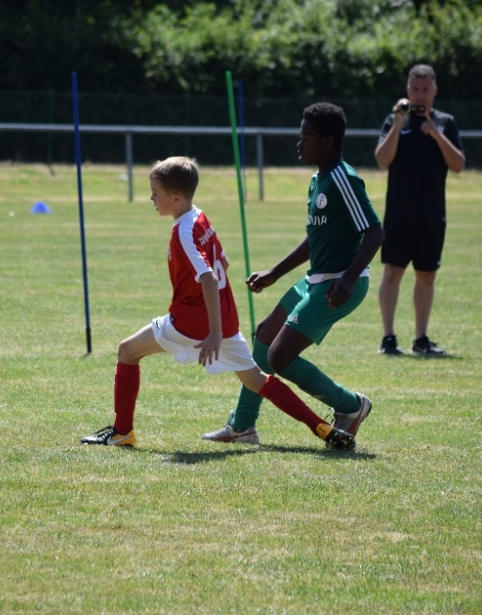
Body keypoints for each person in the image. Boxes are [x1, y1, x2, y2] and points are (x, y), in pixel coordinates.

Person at [80, 156, 355, 450]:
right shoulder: (200, 217)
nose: (151, 199)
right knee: (256, 380)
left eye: (155, 194)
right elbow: (222, 262)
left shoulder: (183, 231)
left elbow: (209, 279)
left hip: (193, 321)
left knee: (127, 351)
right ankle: (323, 428)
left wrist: (213, 333)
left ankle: (122, 433)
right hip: (224, 318)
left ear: (175, 198)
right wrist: (218, 327)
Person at [202, 102, 384, 445]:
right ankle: (243, 426)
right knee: (264, 336)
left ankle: (351, 405)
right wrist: (275, 273)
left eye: (306, 138)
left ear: (327, 142)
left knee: (280, 357)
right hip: (317, 280)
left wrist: (348, 278)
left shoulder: (343, 178)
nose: (299, 144)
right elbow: (315, 239)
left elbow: (375, 232)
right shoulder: (319, 179)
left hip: (339, 283)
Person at [374, 64, 465, 356]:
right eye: (415, 89)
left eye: (426, 89)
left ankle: (421, 339)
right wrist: (399, 123)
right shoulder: (394, 120)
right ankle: (388, 338)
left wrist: (437, 135)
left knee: (427, 275)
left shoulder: (445, 123)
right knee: (393, 272)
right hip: (398, 214)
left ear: (435, 90)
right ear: (408, 90)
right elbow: (382, 159)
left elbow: (459, 165)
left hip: (432, 215)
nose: (420, 95)